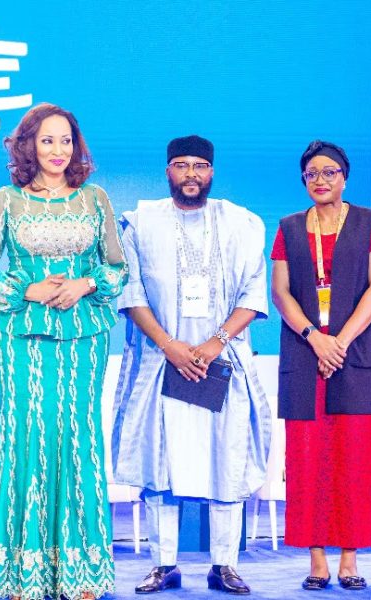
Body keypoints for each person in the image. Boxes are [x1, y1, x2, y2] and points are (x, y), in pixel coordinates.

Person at [0, 103, 127, 600]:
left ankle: (80, 573)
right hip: (20, 337)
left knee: (78, 439)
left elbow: (117, 269)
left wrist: (85, 283)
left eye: (66, 140)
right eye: (47, 140)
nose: (58, 151)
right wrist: (27, 290)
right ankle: (19, 574)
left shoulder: (95, 199)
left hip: (84, 336)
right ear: (28, 146)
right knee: (23, 440)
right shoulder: (7, 200)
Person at [112, 135, 270, 595]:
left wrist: (214, 344)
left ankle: (225, 565)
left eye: (200, 166)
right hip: (162, 362)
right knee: (160, 462)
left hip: (222, 362)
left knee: (227, 459)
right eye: (181, 165)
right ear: (168, 171)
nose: (191, 174)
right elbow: (131, 294)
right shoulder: (141, 224)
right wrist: (170, 346)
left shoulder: (241, 223)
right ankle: (164, 564)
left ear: (212, 172)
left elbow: (253, 292)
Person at [269, 140, 371, 591]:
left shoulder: (369, 223)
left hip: (353, 356)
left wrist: (338, 342)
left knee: (353, 462)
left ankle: (349, 560)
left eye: (329, 172)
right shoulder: (289, 227)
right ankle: (317, 560)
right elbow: (281, 293)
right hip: (304, 357)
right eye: (312, 174)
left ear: (344, 177)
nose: (320, 180)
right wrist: (314, 338)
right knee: (307, 462)